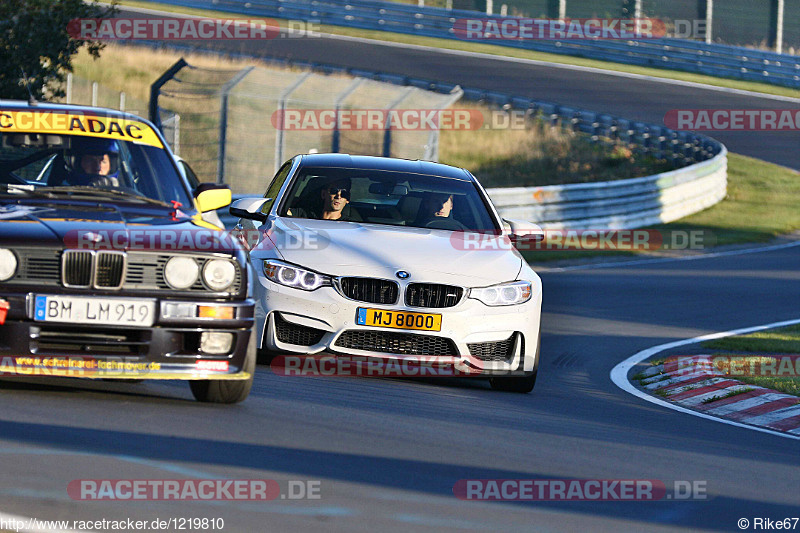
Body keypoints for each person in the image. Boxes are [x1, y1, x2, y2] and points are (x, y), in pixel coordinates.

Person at [288, 177, 362, 221]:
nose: (338, 196)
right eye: (334, 191)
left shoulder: (351, 226)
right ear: (323, 194)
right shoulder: (305, 214)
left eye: (344, 194)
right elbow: (281, 213)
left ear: (348, 199)